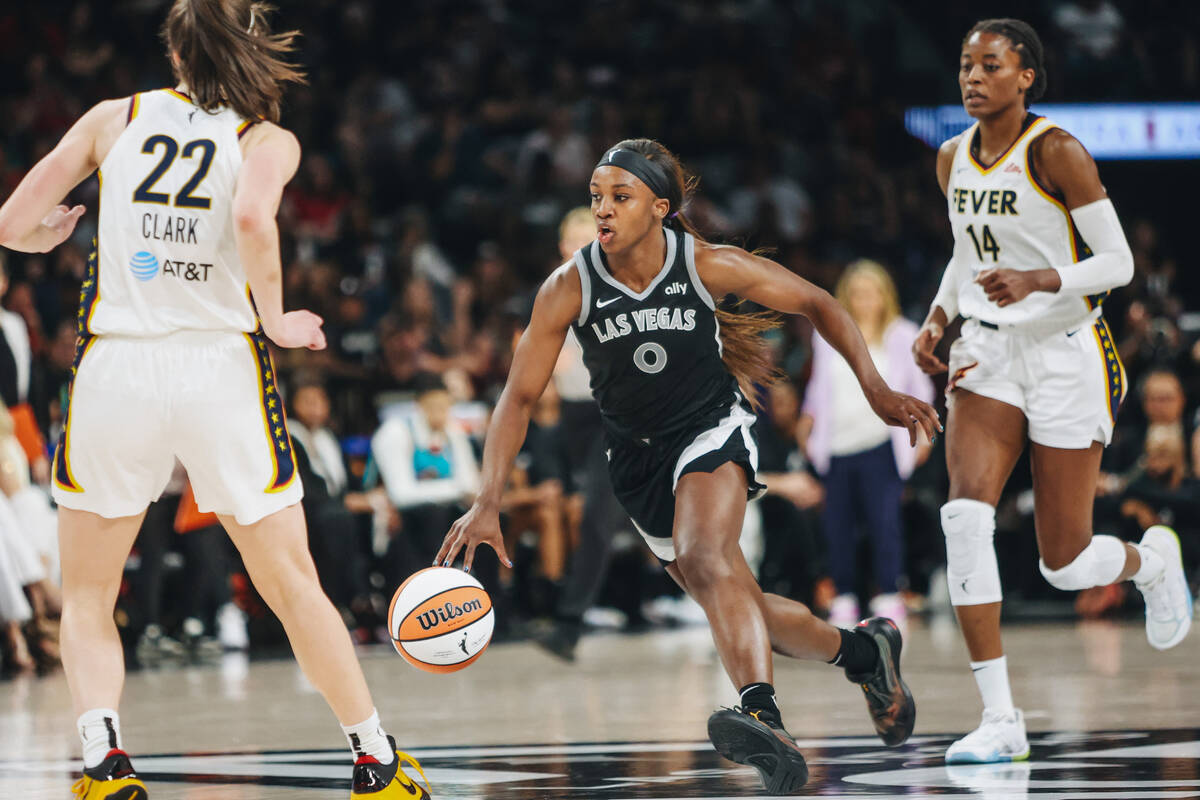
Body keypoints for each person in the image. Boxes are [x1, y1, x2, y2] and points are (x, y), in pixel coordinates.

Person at [0, 2, 430, 798]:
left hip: (116, 367)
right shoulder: (266, 139)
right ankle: (377, 759)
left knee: (89, 595)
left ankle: (104, 766)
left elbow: (12, 222)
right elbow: (250, 215)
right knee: (293, 585)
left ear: (174, 51)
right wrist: (275, 318)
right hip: (217, 369)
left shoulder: (111, 116)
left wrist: (40, 239)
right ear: (256, 49)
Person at [436, 138, 940, 794]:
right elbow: (519, 395)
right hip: (636, 463)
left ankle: (761, 713)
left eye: (620, 197)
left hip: (711, 432)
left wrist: (876, 390)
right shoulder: (570, 285)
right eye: (595, 197)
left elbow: (821, 303)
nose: (602, 210)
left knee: (708, 559)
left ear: (660, 207)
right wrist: (488, 498)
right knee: (740, 599)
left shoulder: (702, 264)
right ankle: (865, 652)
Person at [911, 18, 1192, 765]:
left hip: (1068, 350)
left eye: (990, 65)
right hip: (988, 353)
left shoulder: (1056, 151)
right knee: (964, 517)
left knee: (1063, 563)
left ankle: (1151, 564)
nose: (973, 77)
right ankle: (1000, 718)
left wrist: (1040, 279)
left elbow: (1119, 263)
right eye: (965, 64)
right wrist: (938, 318)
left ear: (1026, 75)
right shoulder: (951, 158)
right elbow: (965, 254)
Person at [801, 259, 934, 626]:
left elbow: (919, 389)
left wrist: (923, 436)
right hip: (837, 446)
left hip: (881, 444)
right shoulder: (829, 335)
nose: (863, 300)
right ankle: (844, 596)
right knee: (837, 525)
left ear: (884, 296)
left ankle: (890, 594)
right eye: (856, 293)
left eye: (870, 293)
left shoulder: (902, 334)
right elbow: (818, 390)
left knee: (884, 522)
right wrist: (806, 423)